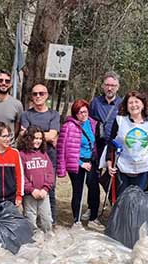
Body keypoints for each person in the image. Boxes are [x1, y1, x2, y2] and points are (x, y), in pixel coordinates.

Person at [56, 99, 101, 229]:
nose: (83, 115)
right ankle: (77, 220)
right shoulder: (68, 126)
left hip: (90, 160)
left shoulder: (92, 123)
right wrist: (80, 163)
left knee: (94, 189)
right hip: (76, 163)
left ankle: (93, 218)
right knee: (78, 191)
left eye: (85, 112)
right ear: (75, 113)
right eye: (80, 112)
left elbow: (94, 143)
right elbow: (64, 149)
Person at [20, 83, 60, 223]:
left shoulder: (54, 114)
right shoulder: (26, 114)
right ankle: (30, 224)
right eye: (35, 94)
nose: (38, 96)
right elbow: (24, 135)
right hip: (29, 158)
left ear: (47, 95)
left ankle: (51, 222)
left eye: (41, 93)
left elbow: (53, 134)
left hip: (49, 157)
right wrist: (47, 135)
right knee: (29, 189)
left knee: (50, 189)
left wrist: (32, 134)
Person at [106, 90, 148, 194]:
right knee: (123, 198)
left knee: (139, 198)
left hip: (143, 168)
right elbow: (111, 142)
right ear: (126, 105)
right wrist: (109, 162)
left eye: (137, 102)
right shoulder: (120, 120)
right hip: (123, 167)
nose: (134, 105)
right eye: (130, 102)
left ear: (143, 104)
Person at [18, 126, 54, 232]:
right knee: (30, 218)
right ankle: (32, 238)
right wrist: (31, 189)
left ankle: (48, 236)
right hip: (30, 194)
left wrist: (45, 189)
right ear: (28, 138)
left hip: (44, 193)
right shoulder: (22, 155)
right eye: (35, 138)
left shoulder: (44, 154)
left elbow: (50, 173)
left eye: (40, 138)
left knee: (46, 218)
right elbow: (21, 175)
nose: (38, 141)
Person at [89, 71, 123, 141]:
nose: (109, 88)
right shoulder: (95, 103)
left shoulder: (122, 105)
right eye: (107, 85)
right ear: (103, 86)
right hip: (98, 143)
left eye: (113, 85)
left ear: (118, 87)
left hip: (115, 144)